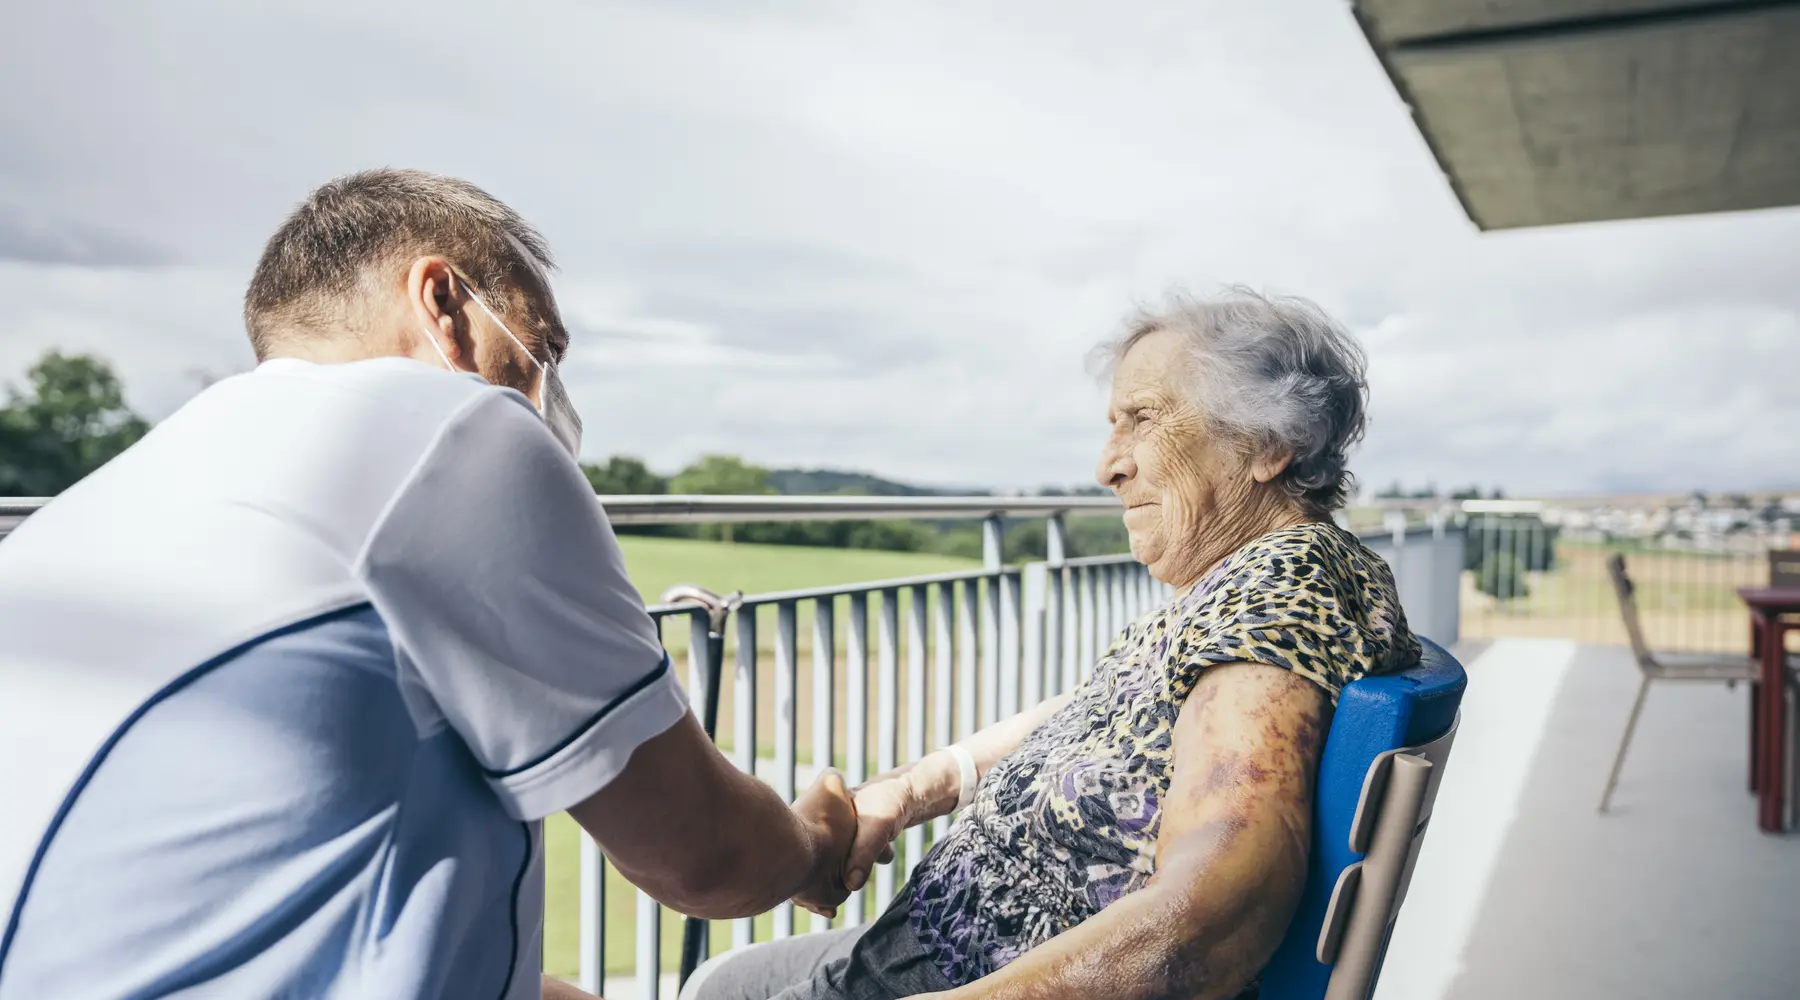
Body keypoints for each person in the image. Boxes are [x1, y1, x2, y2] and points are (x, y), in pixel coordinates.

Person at [0, 169, 857, 1000]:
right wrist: (814, 841)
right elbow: (706, 857)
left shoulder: (114, 497)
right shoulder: (456, 431)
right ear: (443, 303)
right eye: (544, 347)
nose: (550, 391)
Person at [683, 288, 1419, 1000]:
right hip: (929, 951)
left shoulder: (1281, 588)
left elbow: (1218, 911)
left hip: (963, 979)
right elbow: (1102, 708)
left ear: (1269, 446)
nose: (1108, 466)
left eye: (1141, 419)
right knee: (720, 984)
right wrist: (915, 787)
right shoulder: (1249, 593)